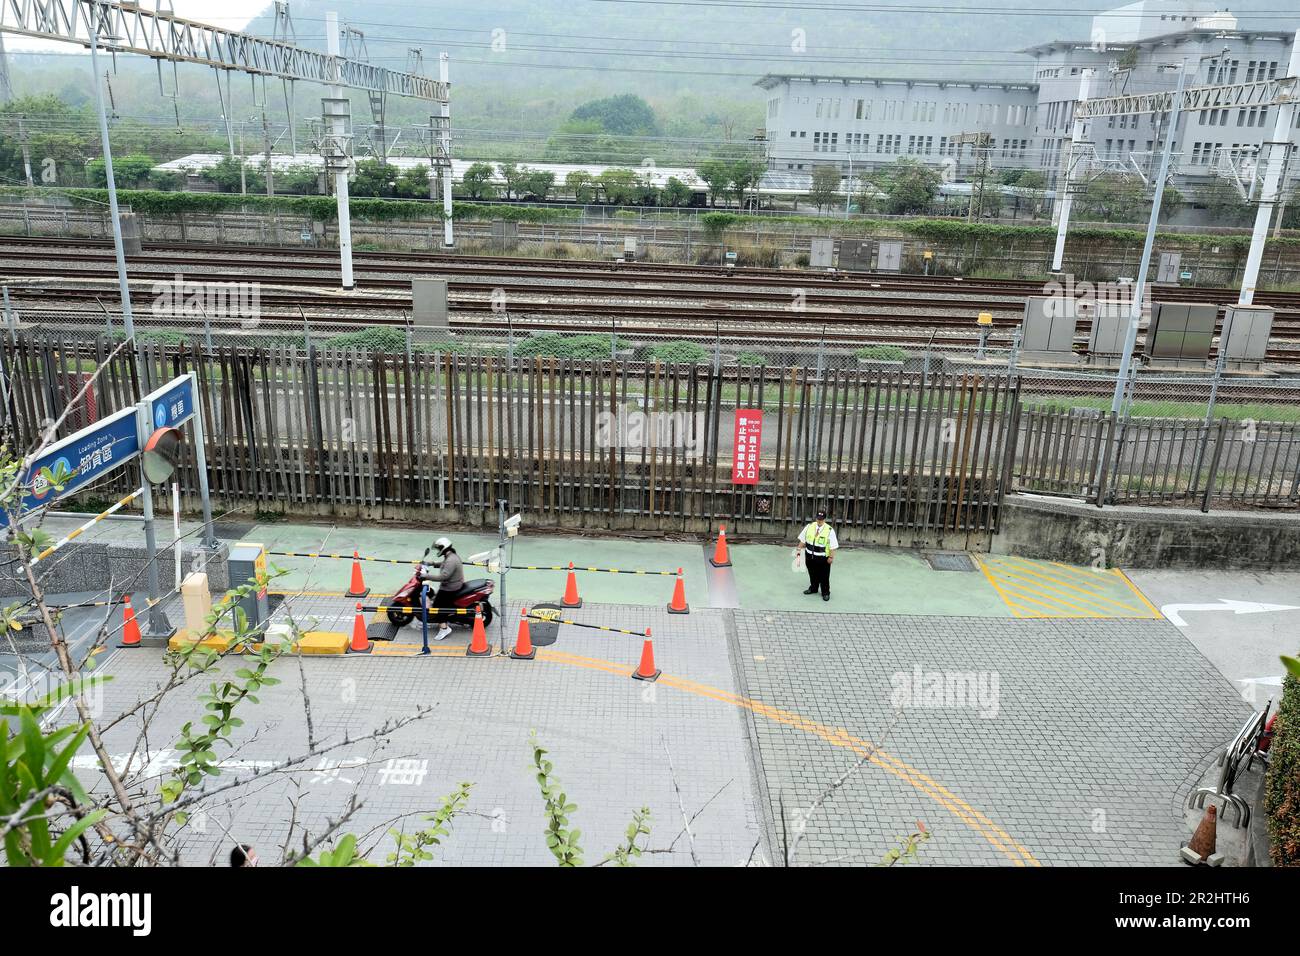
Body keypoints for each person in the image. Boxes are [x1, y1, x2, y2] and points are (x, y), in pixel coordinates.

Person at [420, 536, 464, 641]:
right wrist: (432, 563)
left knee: (437, 607)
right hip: (453, 584)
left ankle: (444, 628)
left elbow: (444, 576)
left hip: (450, 588)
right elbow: (445, 564)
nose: (439, 550)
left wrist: (425, 576)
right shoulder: (450, 556)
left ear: (444, 548)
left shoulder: (451, 560)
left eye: (439, 548)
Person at [795, 509, 838, 602]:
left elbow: (833, 546)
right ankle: (813, 588)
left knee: (824, 576)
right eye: (818, 519)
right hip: (810, 556)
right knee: (812, 574)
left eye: (821, 519)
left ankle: (825, 593)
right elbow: (803, 540)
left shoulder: (829, 530)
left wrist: (831, 557)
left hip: (823, 558)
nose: (819, 521)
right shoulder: (809, 527)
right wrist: (798, 550)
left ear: (825, 519)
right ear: (816, 518)